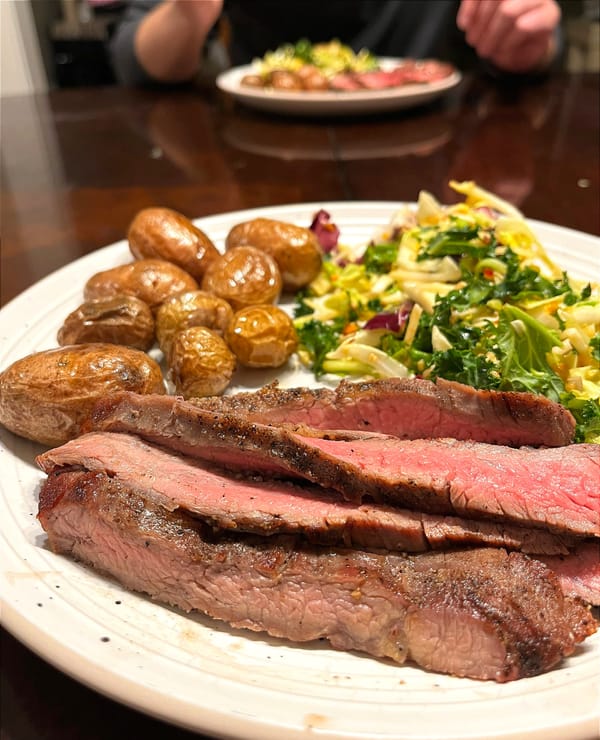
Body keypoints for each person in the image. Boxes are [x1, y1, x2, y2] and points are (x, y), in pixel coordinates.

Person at [109, 0, 562, 87]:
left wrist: (525, 40)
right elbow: (136, 58)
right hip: (259, 150)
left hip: (442, 153)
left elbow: (539, 45)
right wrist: (190, 11)